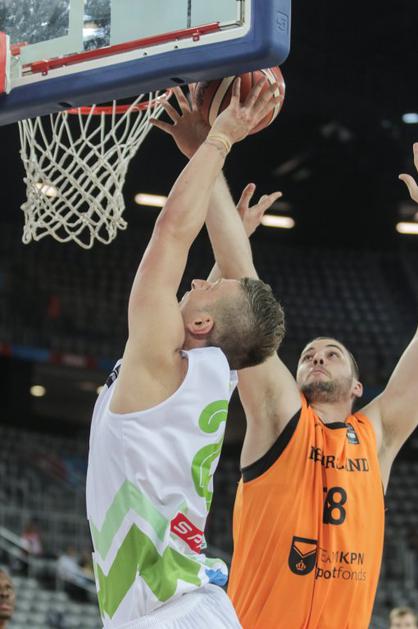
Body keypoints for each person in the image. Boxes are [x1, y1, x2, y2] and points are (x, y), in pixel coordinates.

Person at [156, 93, 418, 628]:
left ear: (358, 386)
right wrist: (207, 150)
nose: (317, 357)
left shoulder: (379, 436)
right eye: (308, 355)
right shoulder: (281, 415)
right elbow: (242, 278)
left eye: (332, 354)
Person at [86, 79, 285, 629]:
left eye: (208, 285)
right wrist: (231, 233)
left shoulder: (161, 363)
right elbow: (220, 305)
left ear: (200, 324)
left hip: (174, 611)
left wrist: (219, 139)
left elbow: (171, 232)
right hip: (181, 609)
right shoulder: (210, 369)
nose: (199, 279)